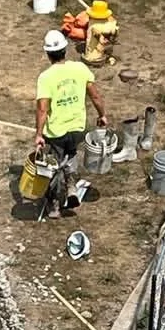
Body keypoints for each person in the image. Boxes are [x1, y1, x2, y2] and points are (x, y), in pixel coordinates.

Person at [35, 30, 106, 217]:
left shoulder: (46, 77)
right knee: (71, 155)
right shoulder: (80, 69)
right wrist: (102, 115)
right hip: (77, 128)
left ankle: (55, 206)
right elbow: (95, 95)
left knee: (54, 166)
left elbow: (42, 109)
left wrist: (39, 134)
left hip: (56, 131)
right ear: (65, 49)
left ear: (48, 54)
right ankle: (72, 187)